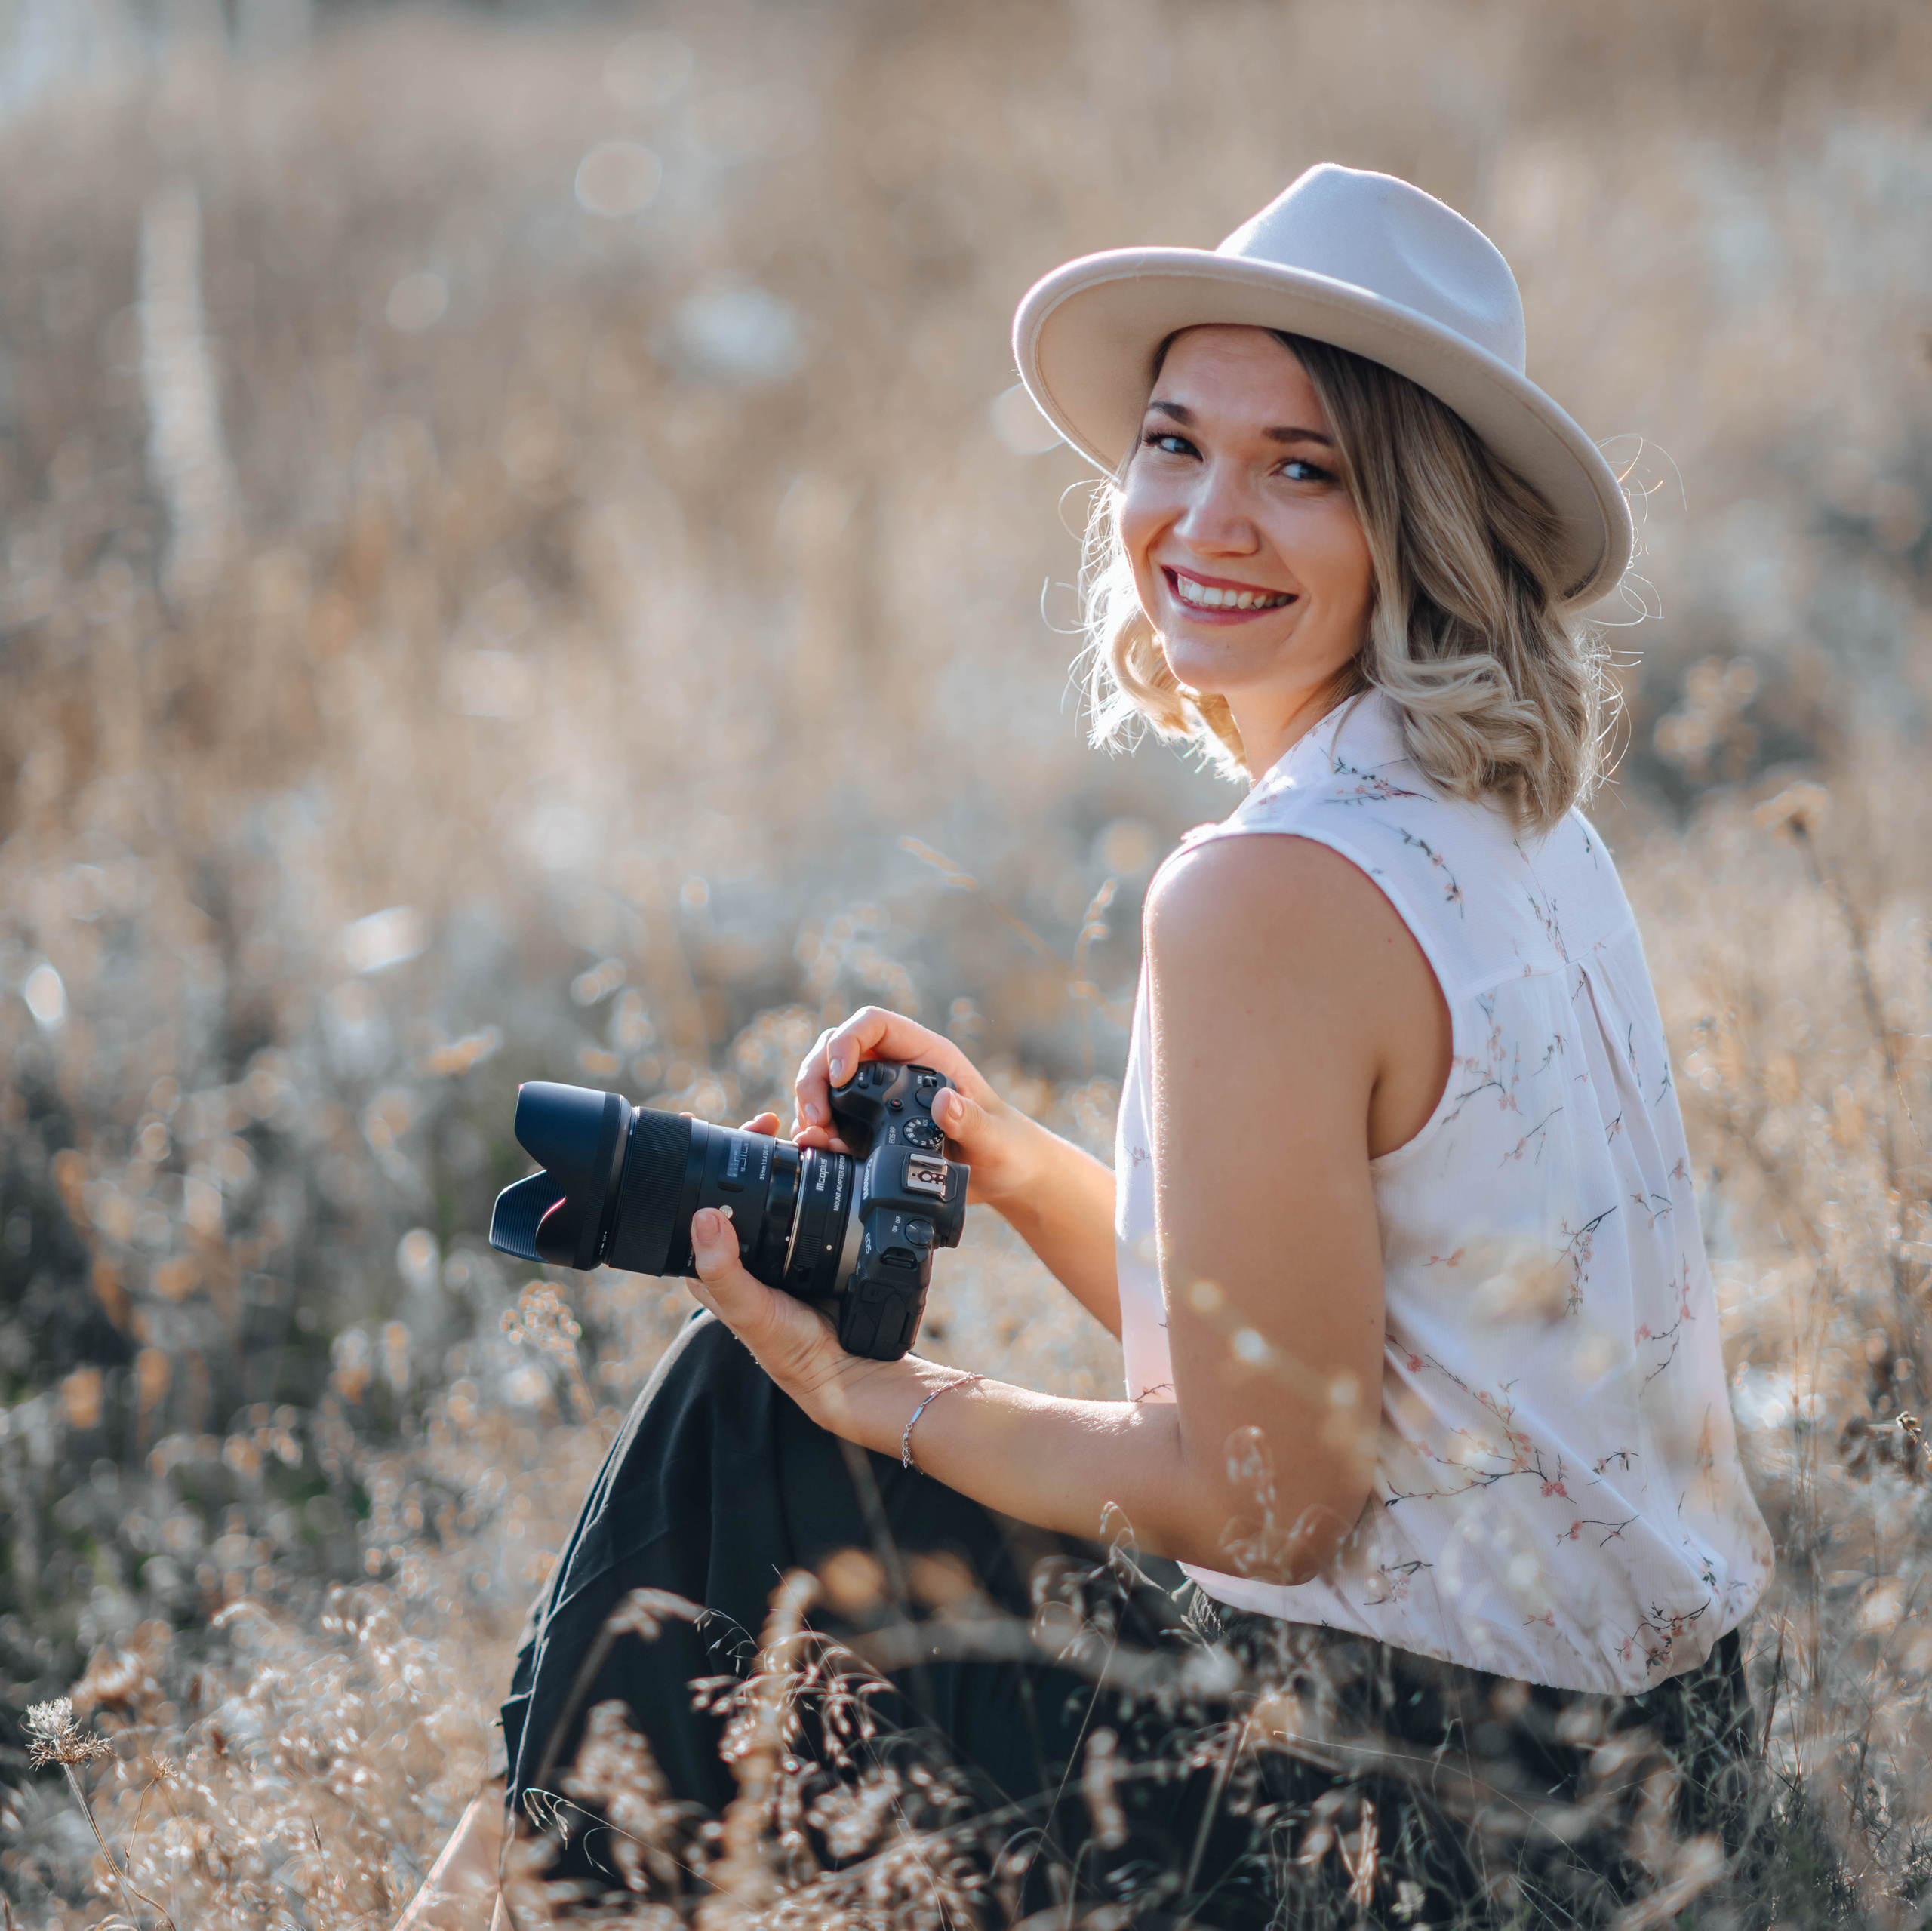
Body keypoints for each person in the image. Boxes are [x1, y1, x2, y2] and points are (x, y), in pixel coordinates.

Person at [398, 163, 1773, 1930]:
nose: (1203, 518)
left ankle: (484, 1896)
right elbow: (1343, 1382)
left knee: (748, 1418)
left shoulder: (1260, 896)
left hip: (1438, 1840)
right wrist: (1010, 1158)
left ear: (1423, 528)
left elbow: (1268, 1499)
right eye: (1174, 442)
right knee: (746, 1451)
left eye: (1304, 468)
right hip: (1669, 1787)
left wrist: (877, 1402)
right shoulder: (1501, 817)